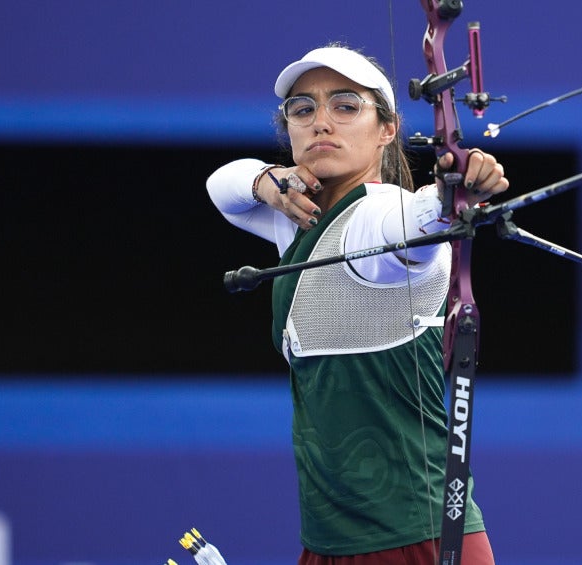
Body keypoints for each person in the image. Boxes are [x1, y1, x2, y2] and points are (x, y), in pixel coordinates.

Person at [206, 44, 508, 565]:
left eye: (346, 106)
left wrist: (453, 195)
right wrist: (265, 181)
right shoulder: (295, 218)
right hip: (330, 541)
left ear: (386, 128)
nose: (322, 122)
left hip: (416, 541)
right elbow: (221, 186)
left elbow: (415, 222)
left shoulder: (379, 216)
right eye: (304, 110)